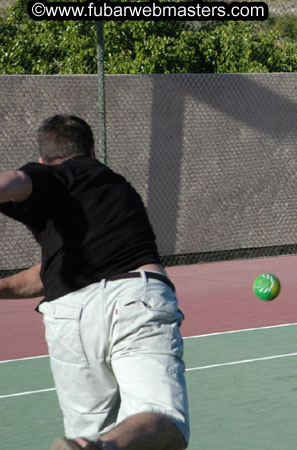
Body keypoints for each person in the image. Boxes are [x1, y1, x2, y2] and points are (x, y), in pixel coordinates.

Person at [0, 115, 189, 450]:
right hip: (134, 298)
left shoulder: (48, 176)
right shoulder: (116, 186)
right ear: (91, 151)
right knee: (161, 419)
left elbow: (47, 273)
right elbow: (14, 180)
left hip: (68, 316)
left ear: (43, 157)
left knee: (85, 436)